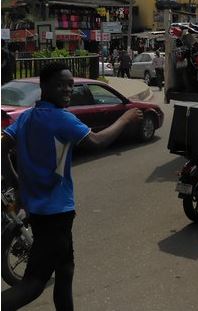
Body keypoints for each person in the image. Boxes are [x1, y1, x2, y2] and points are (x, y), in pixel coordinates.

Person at [1, 62, 143, 310]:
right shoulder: (62, 118)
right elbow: (97, 141)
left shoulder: (27, 117)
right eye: (60, 85)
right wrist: (126, 118)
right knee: (34, 283)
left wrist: (16, 182)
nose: (68, 90)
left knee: (65, 271)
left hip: (42, 211)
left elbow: (3, 146)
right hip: (54, 214)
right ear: (44, 87)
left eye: (70, 85)